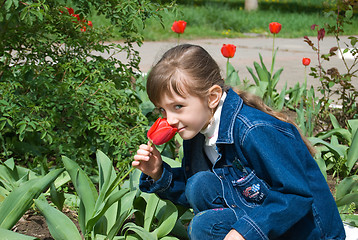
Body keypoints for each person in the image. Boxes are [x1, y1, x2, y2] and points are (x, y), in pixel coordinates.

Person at [132, 44, 346, 240]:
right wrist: (158, 173)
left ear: (213, 97)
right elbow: (205, 190)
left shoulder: (253, 130)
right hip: (258, 212)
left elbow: (295, 195)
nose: (169, 120)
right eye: (162, 109)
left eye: (178, 106)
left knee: (205, 226)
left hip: (309, 231)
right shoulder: (197, 130)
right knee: (200, 185)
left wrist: (244, 232)